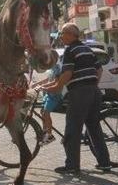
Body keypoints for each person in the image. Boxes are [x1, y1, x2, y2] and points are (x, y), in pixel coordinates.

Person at [41, 23, 112, 175]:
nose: (61, 36)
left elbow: (67, 74)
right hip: (93, 92)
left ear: (71, 35)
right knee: (94, 128)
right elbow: (98, 69)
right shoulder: (87, 49)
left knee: (72, 129)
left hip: (79, 94)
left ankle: (72, 165)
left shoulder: (70, 50)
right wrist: (92, 84)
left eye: (63, 33)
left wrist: (57, 87)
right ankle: (105, 163)